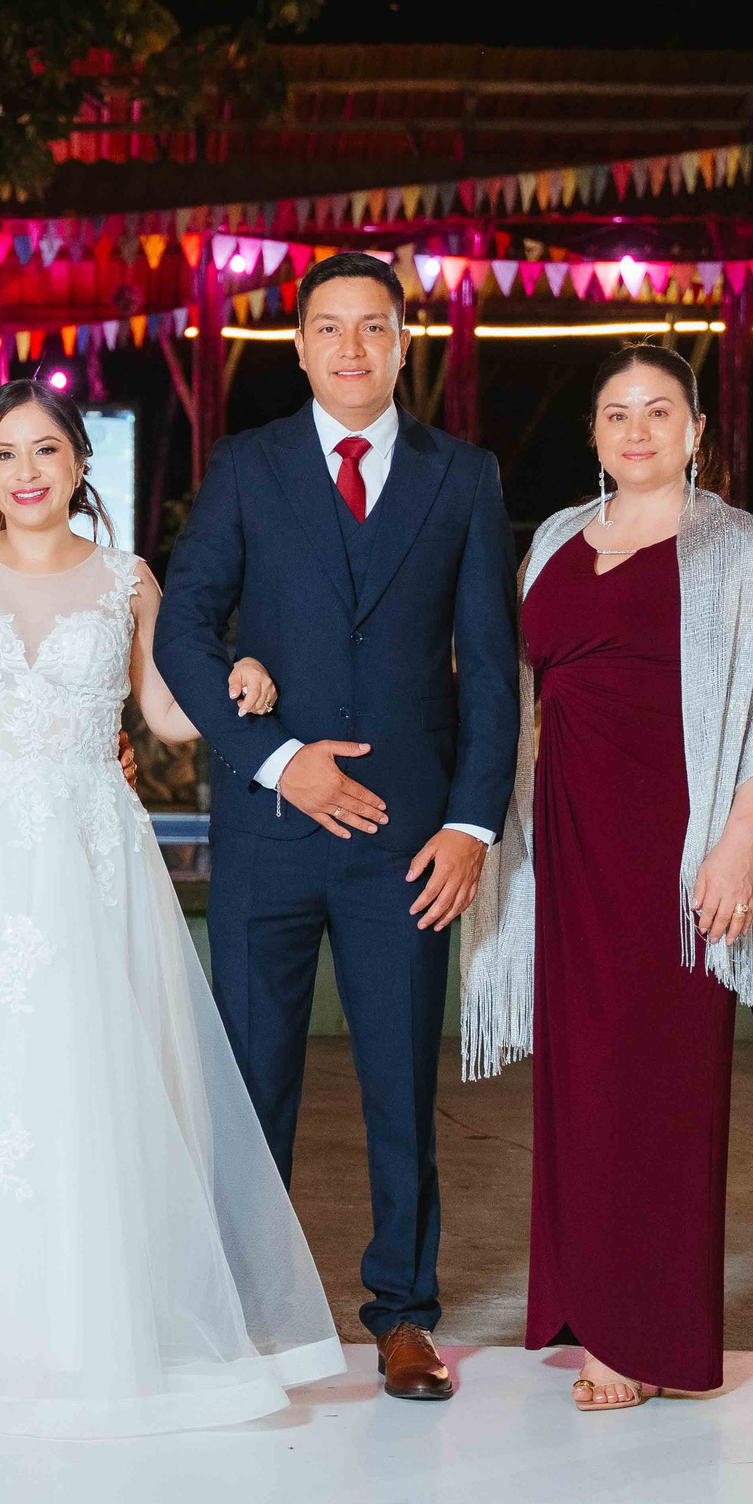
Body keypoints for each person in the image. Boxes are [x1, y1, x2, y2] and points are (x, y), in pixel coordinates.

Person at [0, 379, 342, 1437]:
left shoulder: (129, 580)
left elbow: (165, 711)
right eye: (5, 453)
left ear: (80, 464)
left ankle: (93, 1324)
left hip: (88, 852)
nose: (26, 471)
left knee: (89, 1072)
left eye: (45, 450)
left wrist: (242, 678)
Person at [154, 250, 521, 1401]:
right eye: (329, 327)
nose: (351, 347)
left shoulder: (462, 478)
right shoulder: (247, 467)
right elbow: (182, 632)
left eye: (373, 327)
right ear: (300, 346)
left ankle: (403, 1316)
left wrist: (470, 825)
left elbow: (491, 669)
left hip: (405, 844)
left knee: (399, 1089)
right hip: (268, 829)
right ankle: (235, 1318)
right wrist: (277, 759)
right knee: (248, 1086)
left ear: (403, 344)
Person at [457, 345, 753, 1410]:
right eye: (617, 413)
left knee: (660, 1090)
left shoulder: (736, 547)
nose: (638, 429)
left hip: (674, 857)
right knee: (580, 1086)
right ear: (596, 435)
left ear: (696, 430)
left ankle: (645, 1336)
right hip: (563, 851)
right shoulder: (558, 539)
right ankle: (589, 1309)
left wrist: (737, 845)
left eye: (660, 410)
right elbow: (514, 685)